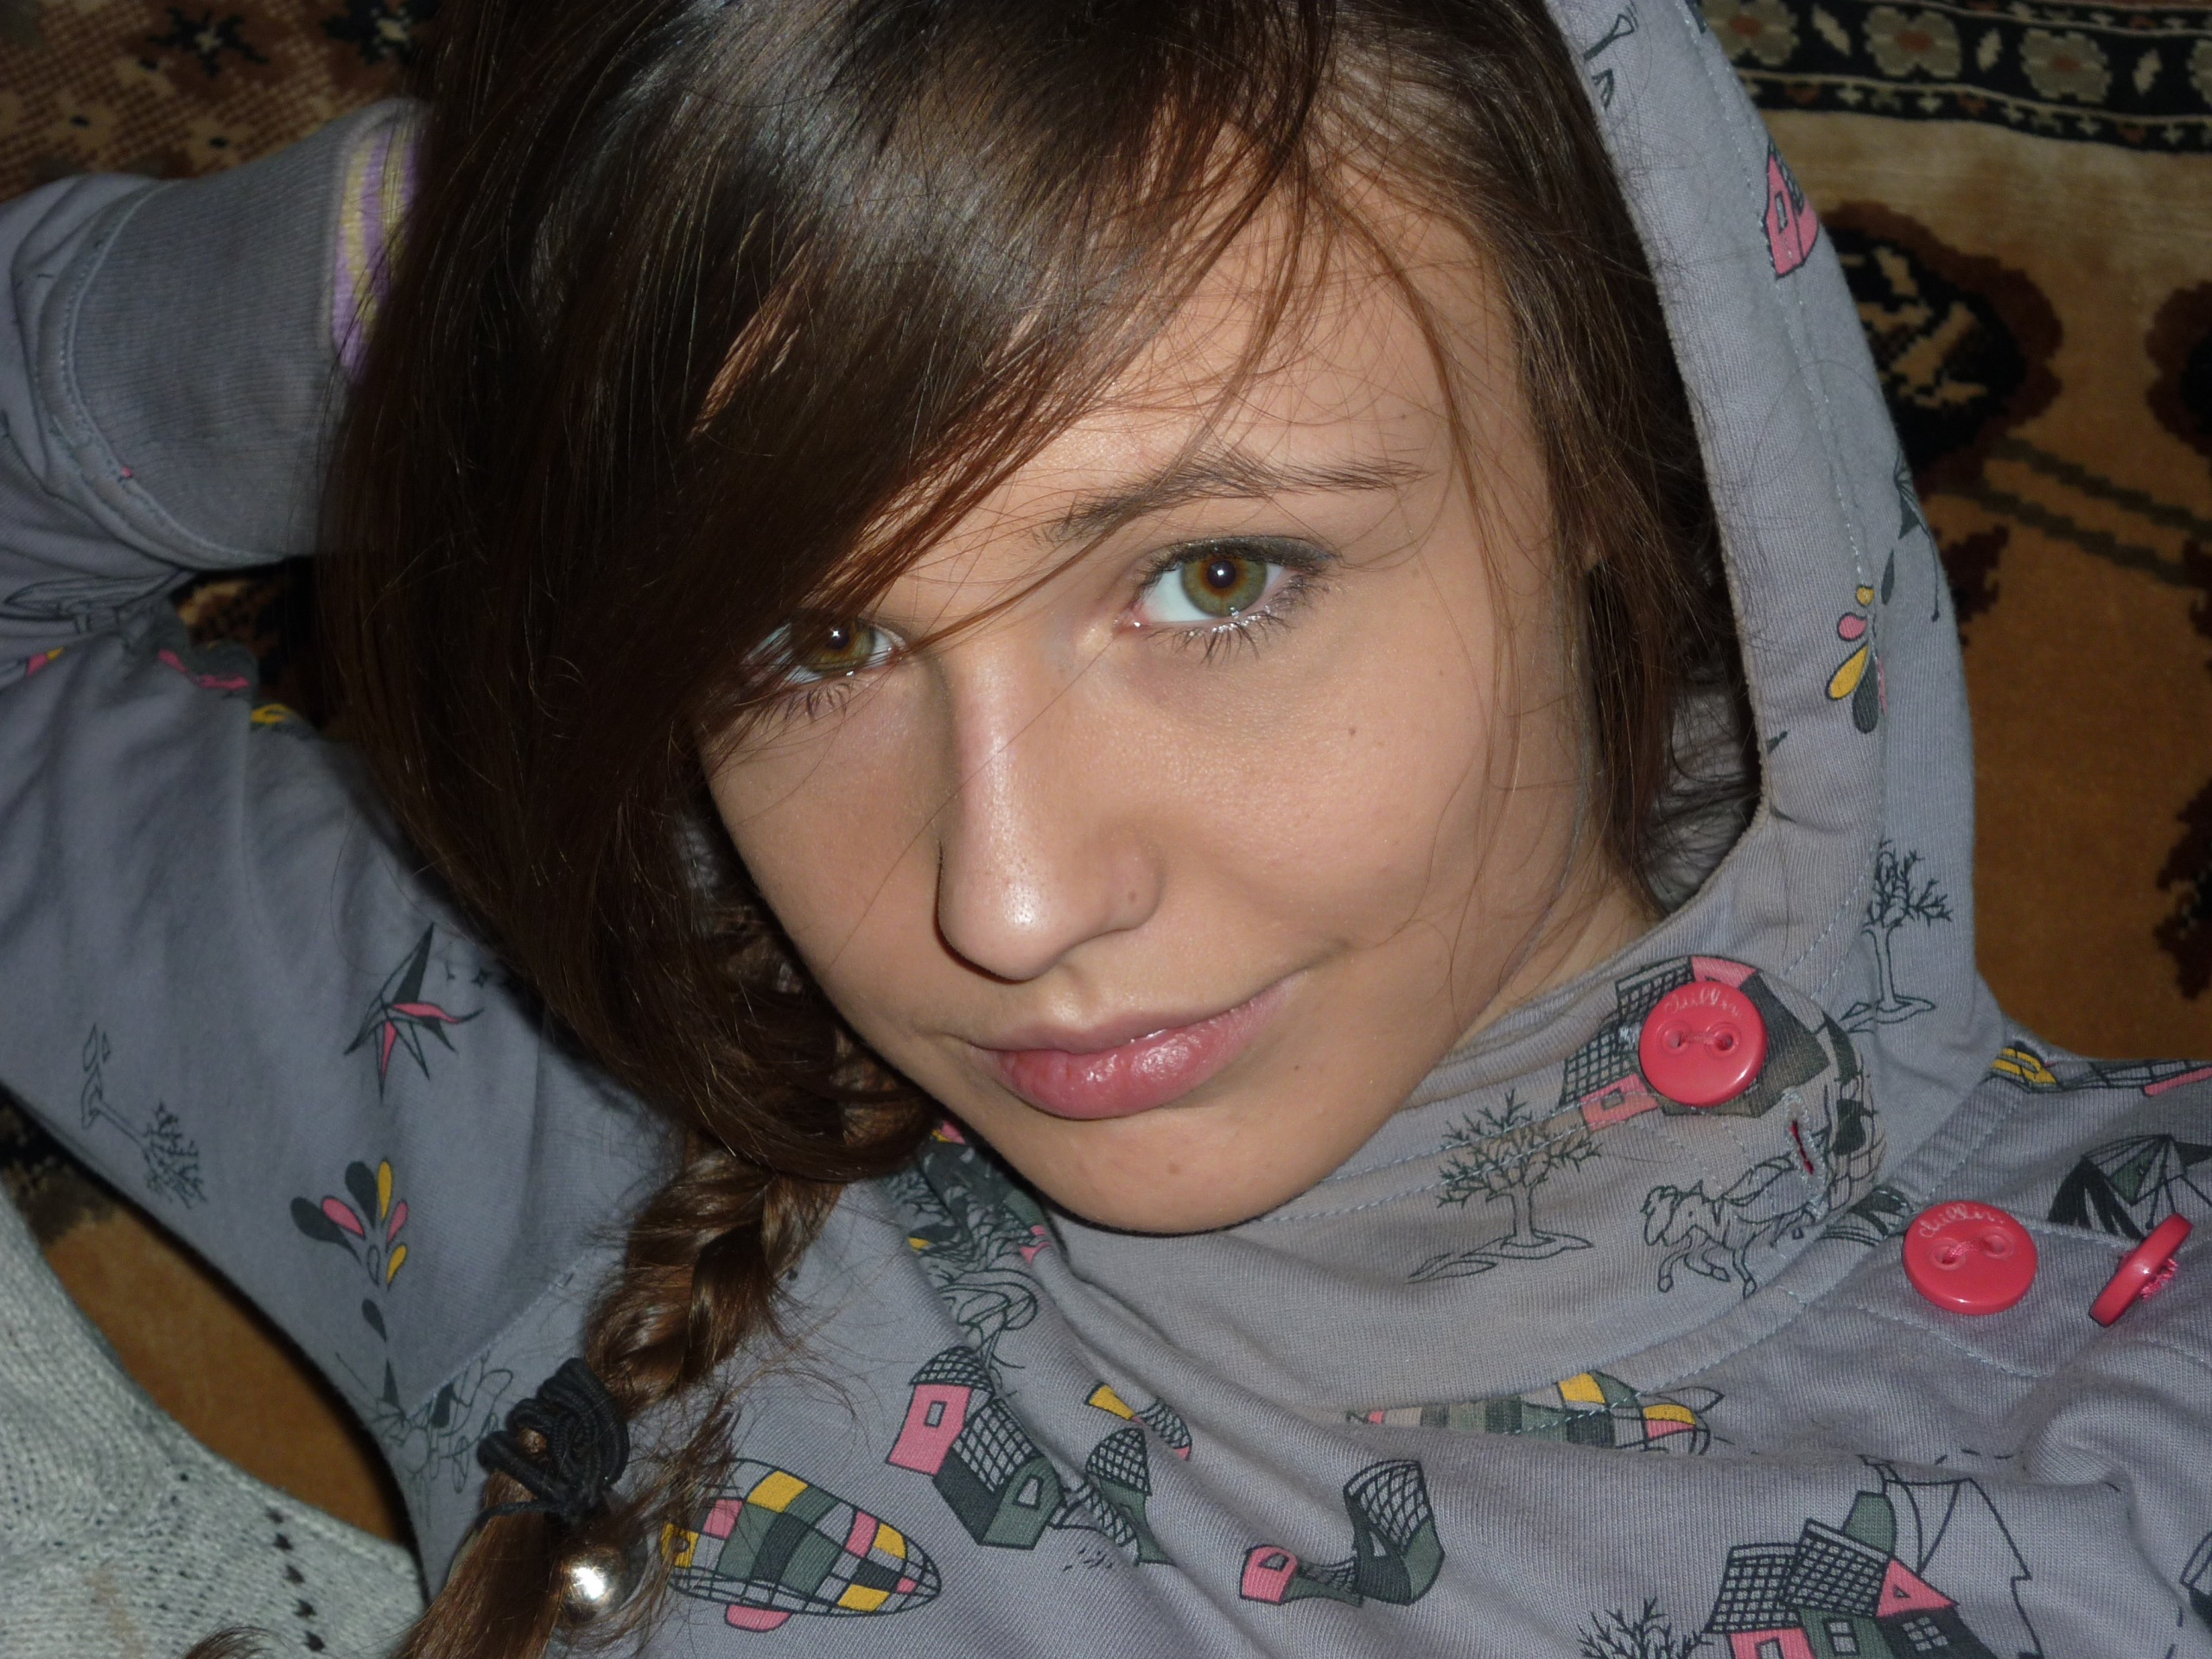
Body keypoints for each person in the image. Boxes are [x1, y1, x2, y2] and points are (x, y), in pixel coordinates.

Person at [0, 1, 2204, 1656]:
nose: (1008, 900)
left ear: (1618, 467)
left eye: (1215, 576)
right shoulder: (565, 1111)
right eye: (811, 638)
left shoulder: (2139, 1375)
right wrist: (427, 308)